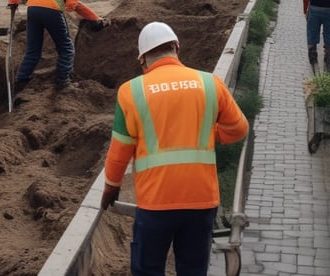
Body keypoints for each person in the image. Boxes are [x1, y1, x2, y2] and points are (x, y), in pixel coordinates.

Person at [100, 21, 249, 276]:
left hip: (156, 201)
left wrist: (111, 187)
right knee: (193, 269)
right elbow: (239, 128)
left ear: (142, 60)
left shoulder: (131, 92)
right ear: (176, 48)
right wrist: (211, 134)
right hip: (201, 199)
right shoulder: (210, 83)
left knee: (147, 270)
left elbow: (119, 152)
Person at [8, 0, 110, 91]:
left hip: (33, 8)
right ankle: (63, 82)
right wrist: (86, 17)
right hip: (51, 11)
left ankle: (21, 83)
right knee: (67, 49)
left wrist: (14, 1)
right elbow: (72, 6)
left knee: (32, 51)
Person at [303, 0, 330, 71]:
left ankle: (313, 58)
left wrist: (305, 10)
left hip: (314, 10)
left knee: (312, 32)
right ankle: (328, 59)